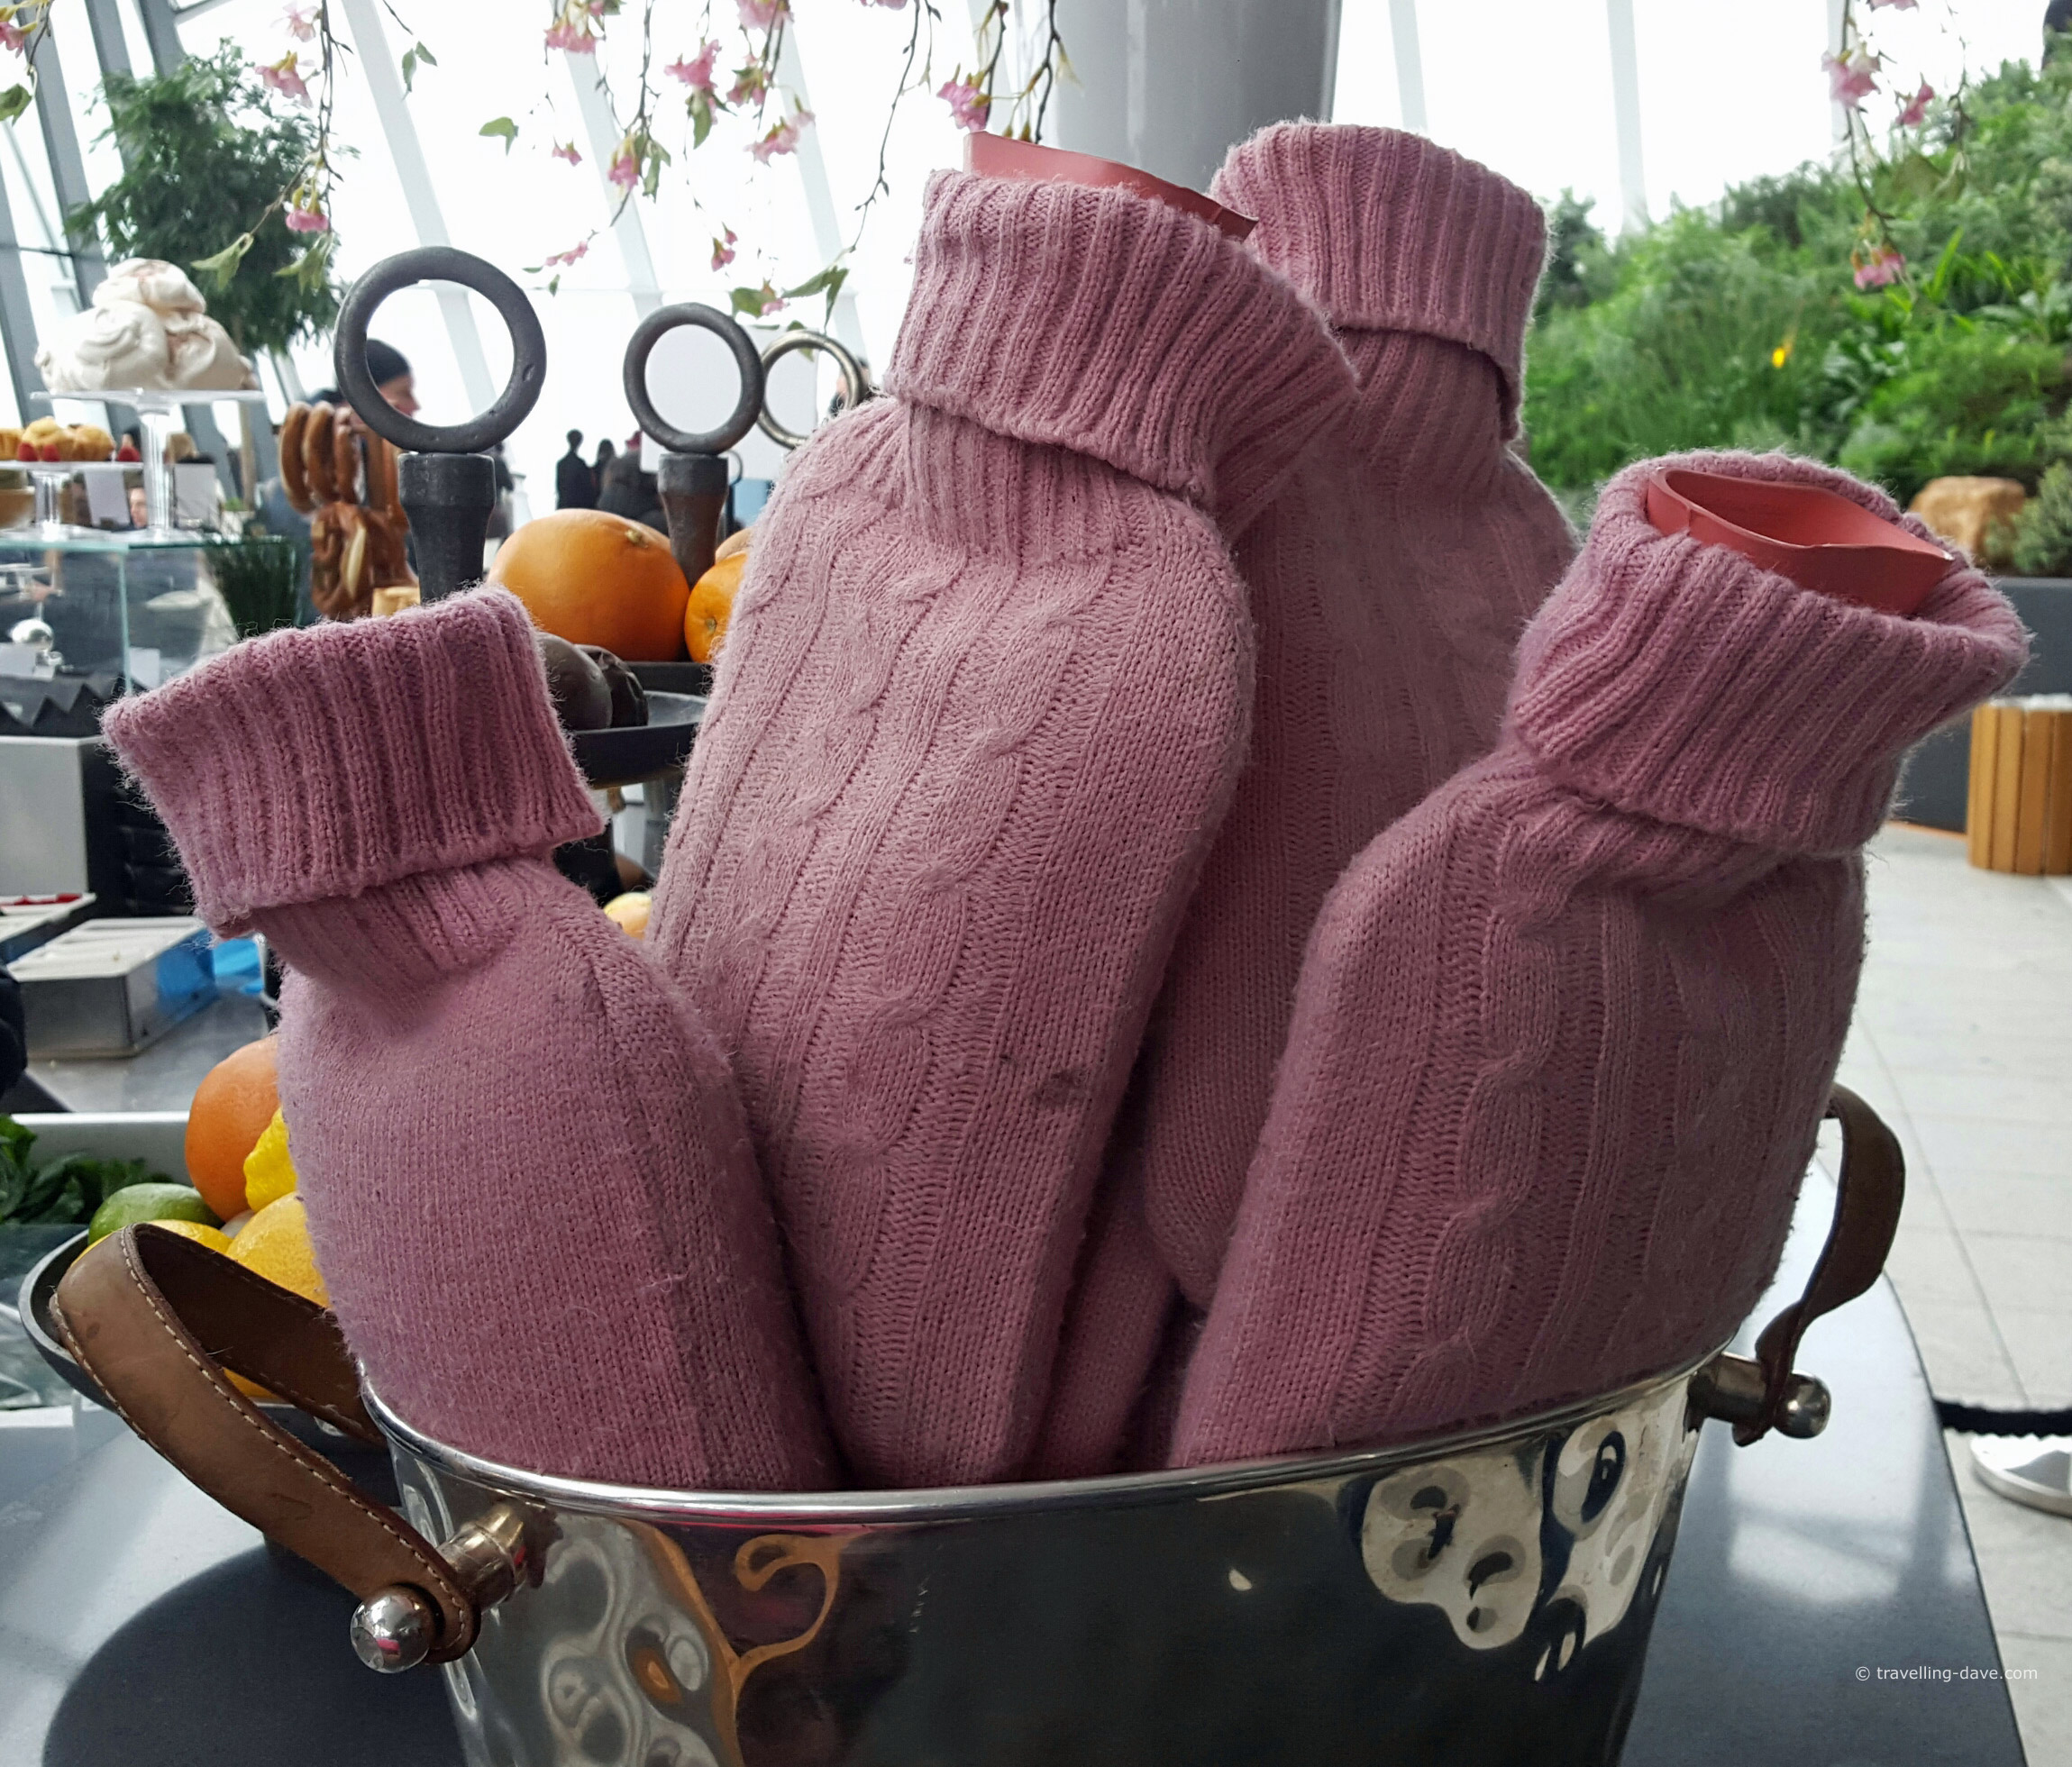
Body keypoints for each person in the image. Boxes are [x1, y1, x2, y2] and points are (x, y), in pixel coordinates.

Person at [556, 429, 596, 509]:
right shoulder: (581, 464)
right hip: (577, 506)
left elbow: (559, 487)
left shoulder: (561, 464)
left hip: (564, 506)